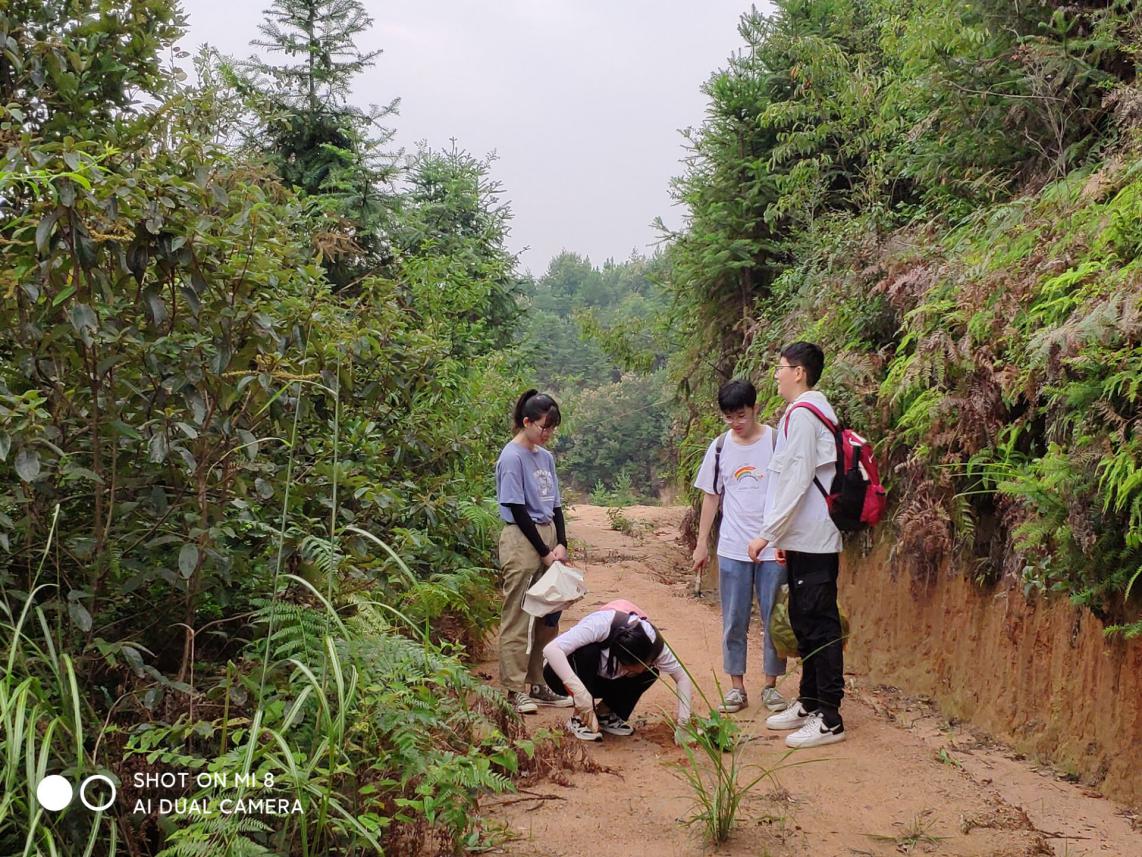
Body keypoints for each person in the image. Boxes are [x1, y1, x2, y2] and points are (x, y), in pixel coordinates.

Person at [747, 342, 846, 748]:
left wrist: (768, 533)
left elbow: (796, 479)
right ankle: (808, 702)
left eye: (781, 367)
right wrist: (784, 536)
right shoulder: (806, 412)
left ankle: (831, 717)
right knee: (805, 622)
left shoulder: (805, 415)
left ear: (799, 372)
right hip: (805, 538)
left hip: (816, 540)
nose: (776, 374)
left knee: (820, 625)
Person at [692, 379, 789, 715]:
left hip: (773, 548)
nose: (736, 422)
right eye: (730, 416)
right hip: (732, 548)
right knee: (734, 619)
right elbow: (711, 496)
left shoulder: (777, 441)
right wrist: (701, 543)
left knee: (772, 617)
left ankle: (771, 686)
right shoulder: (720, 447)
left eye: (741, 415)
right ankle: (736, 687)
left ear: (755, 408)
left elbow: (792, 490)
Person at [496, 389, 574, 714]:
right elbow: (515, 508)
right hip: (521, 538)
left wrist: (561, 544)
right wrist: (543, 551)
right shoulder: (511, 457)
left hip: (547, 536)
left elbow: (555, 505)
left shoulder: (546, 458)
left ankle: (539, 682)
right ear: (526, 422)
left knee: (549, 615)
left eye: (552, 428)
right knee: (518, 615)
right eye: (544, 427)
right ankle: (514, 689)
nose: (548, 433)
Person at [542, 599, 693, 743]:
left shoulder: (656, 647)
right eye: (628, 668)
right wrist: (579, 692)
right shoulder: (601, 624)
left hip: (605, 679)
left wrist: (684, 725)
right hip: (562, 675)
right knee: (588, 651)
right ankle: (580, 718)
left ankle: (605, 714)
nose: (631, 673)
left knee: (650, 674)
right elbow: (551, 650)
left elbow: (682, 677)